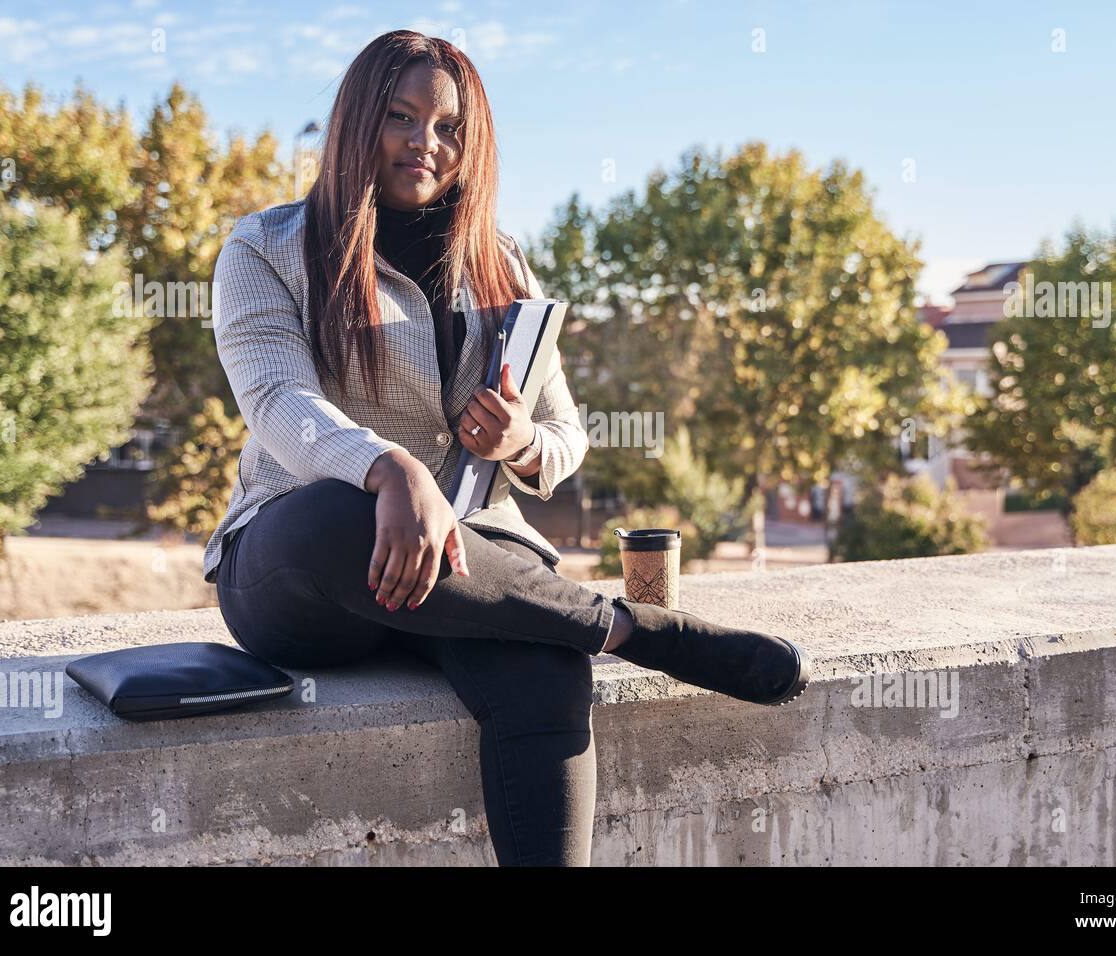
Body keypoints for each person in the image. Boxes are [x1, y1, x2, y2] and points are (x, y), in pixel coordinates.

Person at [204, 29, 810, 867]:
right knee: (331, 516)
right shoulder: (265, 249)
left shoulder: (501, 264)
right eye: (401, 116)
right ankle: (639, 631)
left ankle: (584, 635)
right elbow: (278, 400)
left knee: (547, 672)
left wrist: (522, 441)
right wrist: (389, 470)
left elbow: (565, 436)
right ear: (356, 122)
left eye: (450, 127)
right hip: (305, 572)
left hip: (464, 572)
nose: (426, 142)